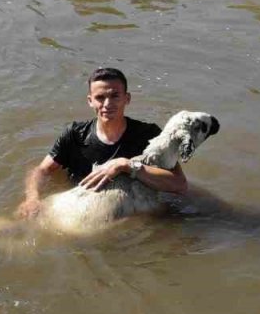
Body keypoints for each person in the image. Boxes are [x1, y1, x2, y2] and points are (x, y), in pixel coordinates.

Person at [17, 67, 187, 219]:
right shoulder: (75, 135)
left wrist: (126, 165)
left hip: (132, 215)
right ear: (90, 101)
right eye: (100, 97)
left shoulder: (148, 135)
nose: (107, 104)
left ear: (127, 98)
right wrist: (32, 198)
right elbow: (42, 170)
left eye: (115, 96)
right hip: (81, 212)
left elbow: (179, 185)